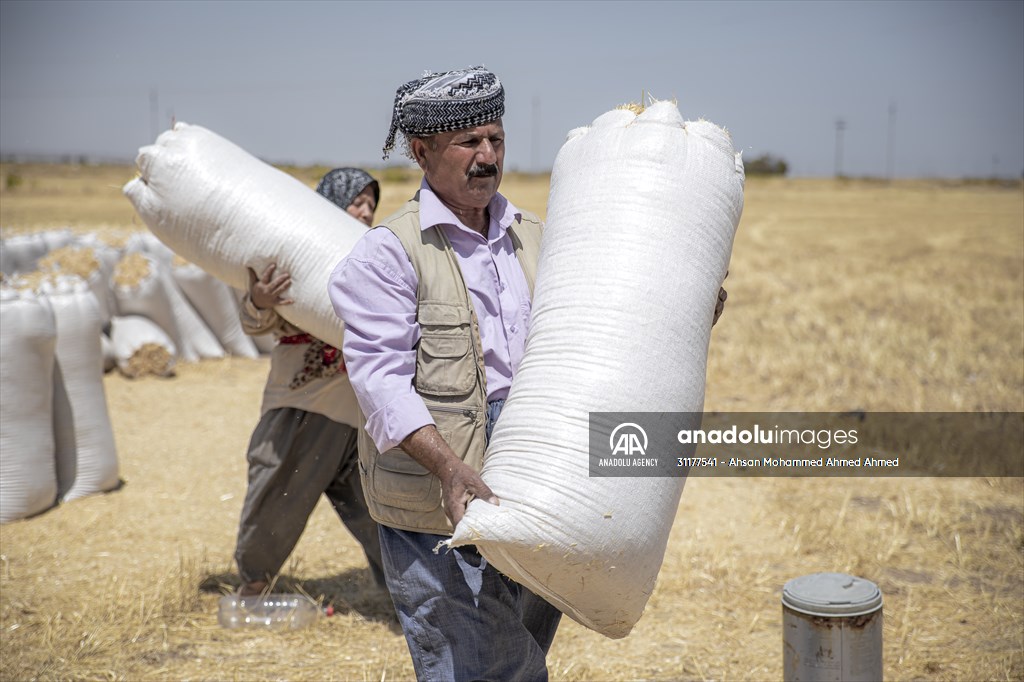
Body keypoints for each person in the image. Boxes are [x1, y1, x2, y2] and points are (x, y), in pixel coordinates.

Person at [329, 67, 727, 680]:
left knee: (519, 647)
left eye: (496, 139)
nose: (487, 156)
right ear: (421, 150)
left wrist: (683, 308)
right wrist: (448, 467)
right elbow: (380, 380)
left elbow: (605, 333)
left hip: (541, 468)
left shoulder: (541, 239)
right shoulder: (389, 253)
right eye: (468, 142)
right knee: (484, 666)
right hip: (435, 490)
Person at [233, 167, 385, 597]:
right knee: (276, 495)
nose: (365, 212)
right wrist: (259, 300)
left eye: (371, 205)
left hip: (358, 418)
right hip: (303, 408)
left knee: (380, 509)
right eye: (356, 202)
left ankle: (404, 593)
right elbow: (257, 321)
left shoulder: (371, 260)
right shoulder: (300, 259)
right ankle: (255, 583)